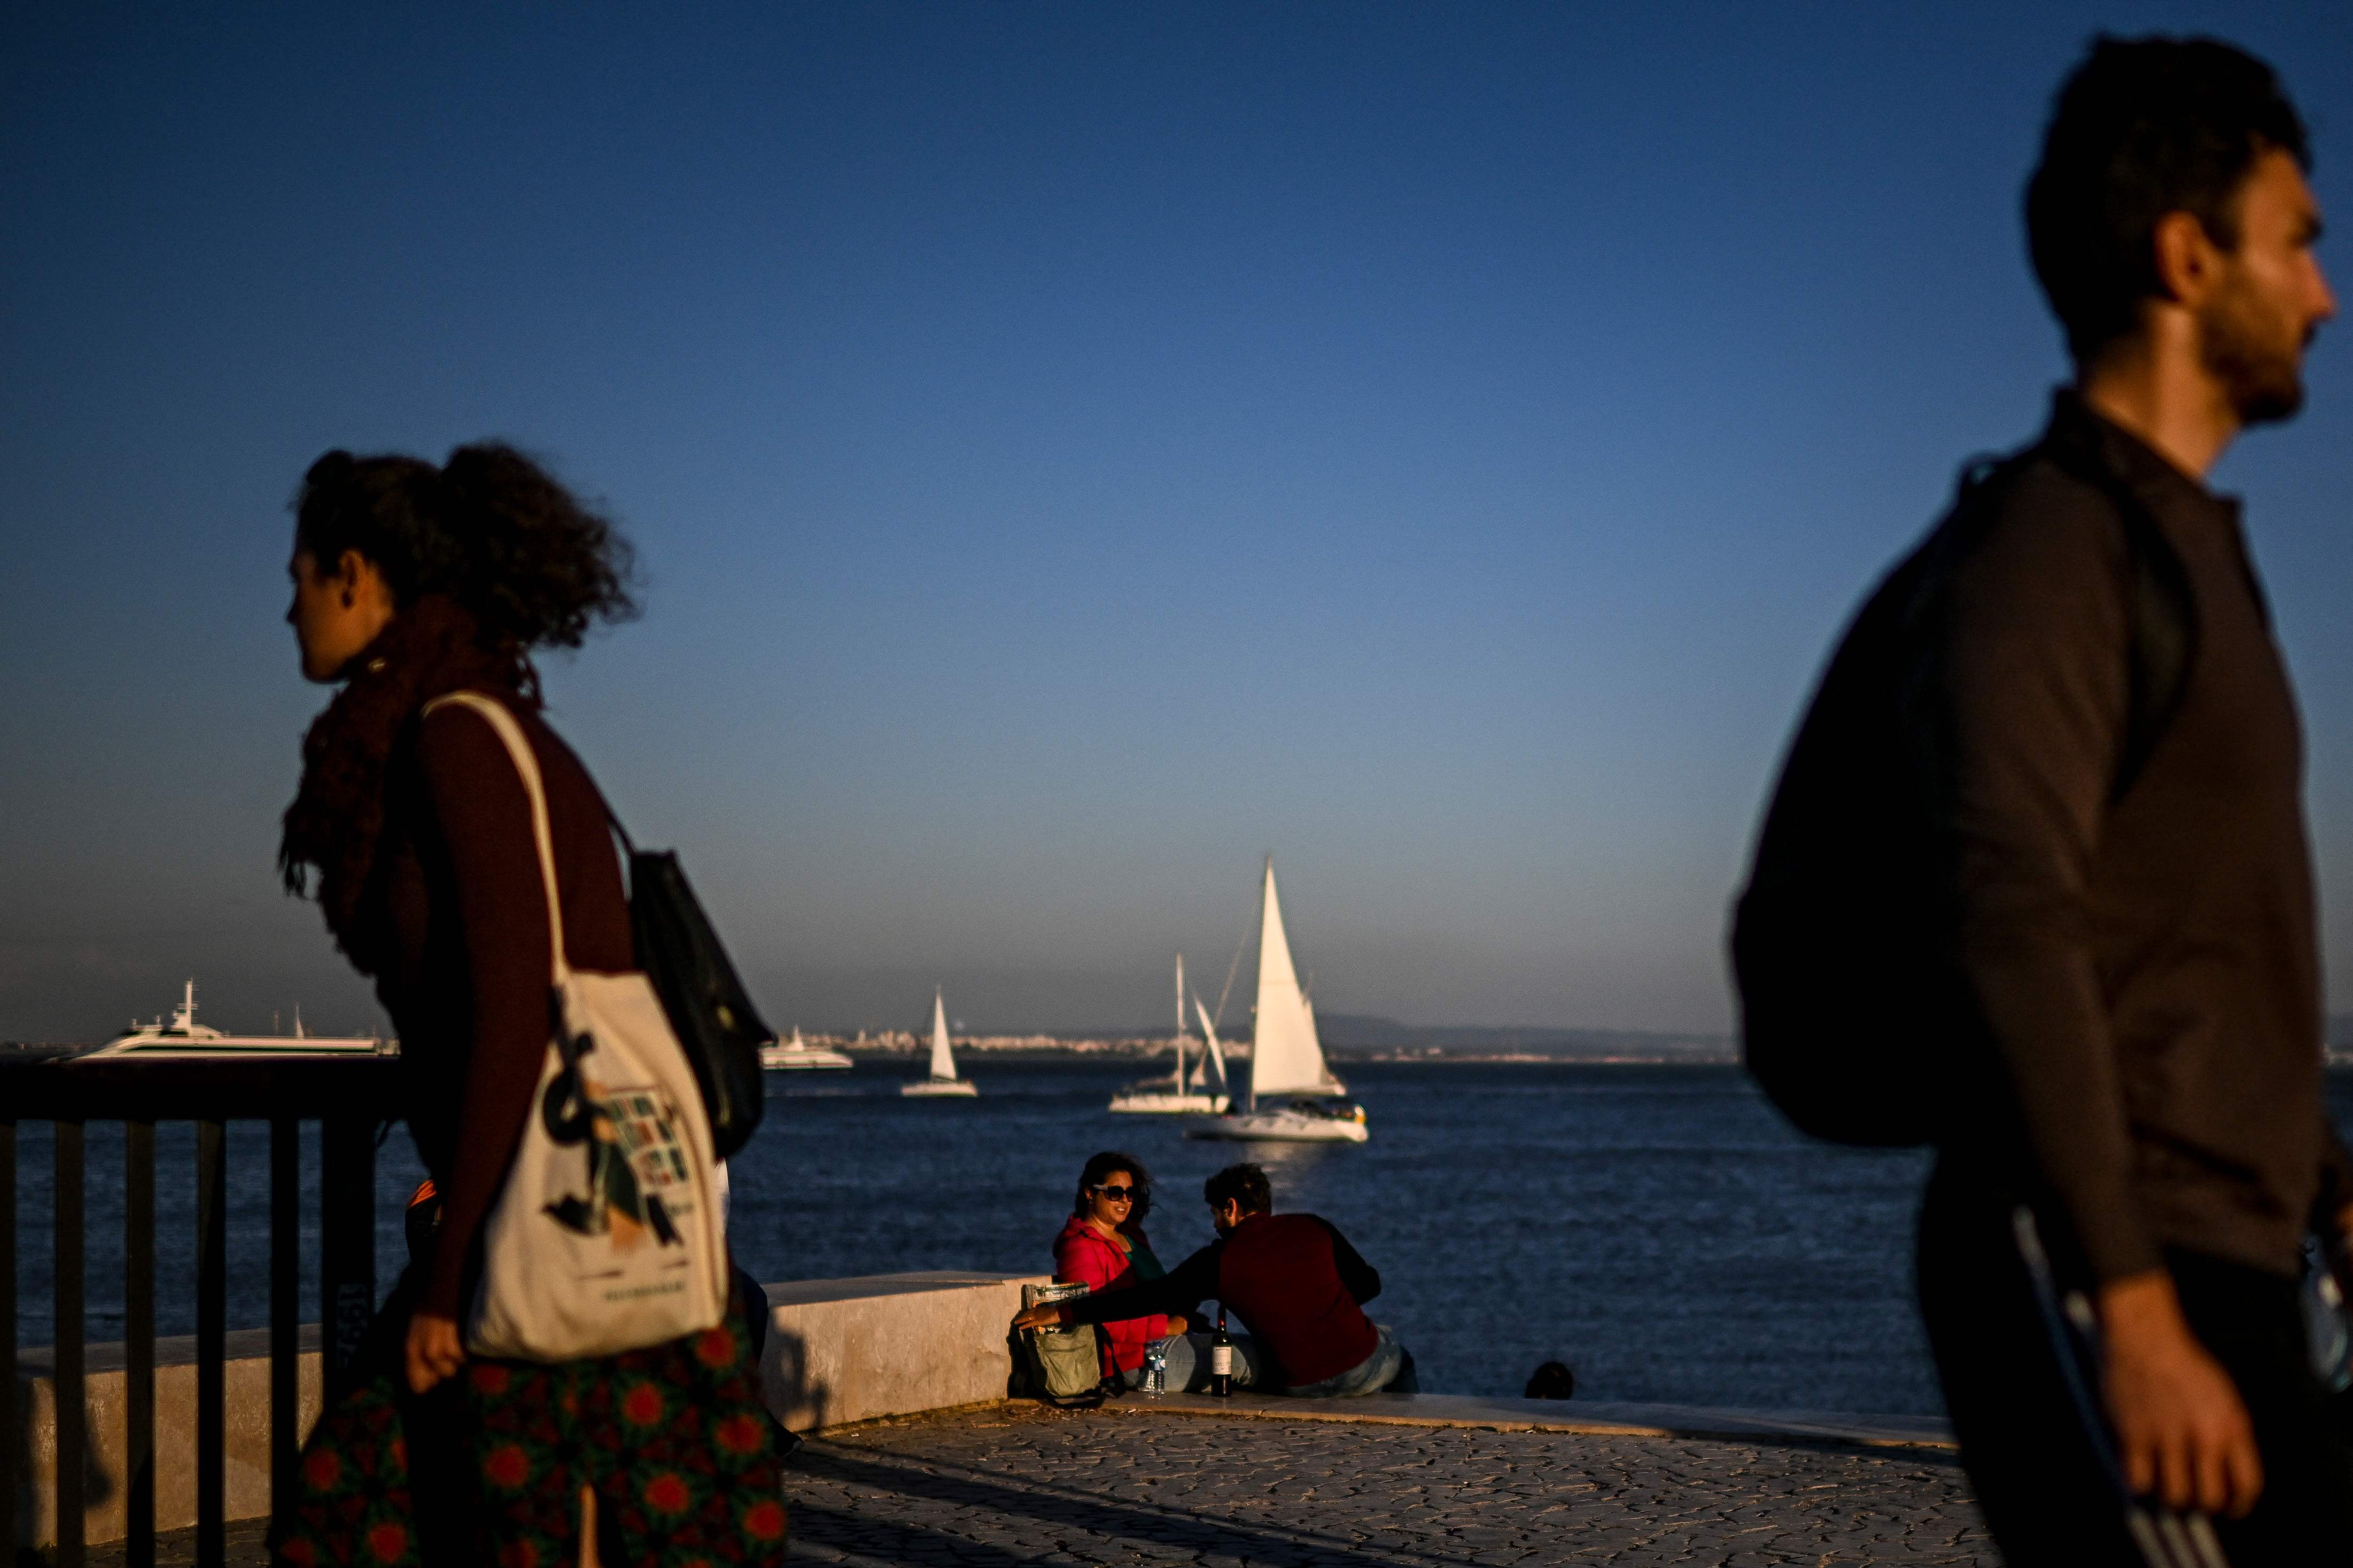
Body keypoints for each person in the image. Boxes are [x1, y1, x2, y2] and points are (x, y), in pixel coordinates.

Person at [1885, 36, 2349, 1564]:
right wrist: (2133, 1310)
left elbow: (2202, 948)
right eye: (2298, 242)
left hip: (2221, 1249)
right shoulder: (2054, 546)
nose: (2322, 294)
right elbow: (2007, 910)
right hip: (2114, 1267)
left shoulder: (2188, 549)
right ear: (2184, 251)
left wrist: (2315, 1179)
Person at [266, 445, 788, 1566]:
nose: (288, 608)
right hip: (542, 1222)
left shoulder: (457, 734)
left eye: (300, 575)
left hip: (526, 1233)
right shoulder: (483, 725)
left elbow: (518, 1010)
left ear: (357, 574)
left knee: (356, 1519)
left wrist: (449, 1279)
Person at [1015, 1163, 1415, 1397]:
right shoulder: (1315, 1227)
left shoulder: (1218, 1259)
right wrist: (1322, 1304)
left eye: (1215, 1213)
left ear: (1232, 1207)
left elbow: (1147, 1298)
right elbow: (1369, 1284)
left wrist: (1065, 1310)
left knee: (1246, 1353)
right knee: (1397, 1350)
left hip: (1299, 1382)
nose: (1215, 1222)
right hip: (1361, 1366)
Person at [1052, 1152, 1190, 1389]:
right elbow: (1093, 1318)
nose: (1125, 1201)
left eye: (1130, 1193)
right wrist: (1167, 1327)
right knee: (1239, 1360)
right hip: (1131, 1363)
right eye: (1115, 1193)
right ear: (1090, 1193)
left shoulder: (1132, 1236)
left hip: (1165, 1341)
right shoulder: (1080, 1247)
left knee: (1241, 1350)